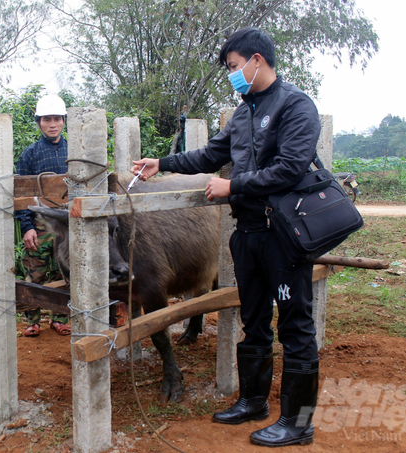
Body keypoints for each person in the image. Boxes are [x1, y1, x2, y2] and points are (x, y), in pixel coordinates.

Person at [132, 27, 321, 447]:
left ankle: (300, 421)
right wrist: (160, 163)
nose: (233, 75)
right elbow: (209, 156)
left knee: (297, 327)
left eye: (235, 67)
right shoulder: (244, 112)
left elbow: (291, 168)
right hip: (249, 233)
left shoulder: (296, 106)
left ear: (257, 60)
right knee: (253, 322)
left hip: (286, 234)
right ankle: (253, 400)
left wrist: (233, 187)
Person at [15, 94, 71, 337]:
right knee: (35, 271)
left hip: (68, 221)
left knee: (65, 270)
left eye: (57, 119)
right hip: (39, 222)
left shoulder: (74, 151)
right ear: (39, 122)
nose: (52, 124)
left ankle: (59, 318)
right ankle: (32, 319)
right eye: (47, 119)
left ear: (64, 121)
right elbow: (20, 196)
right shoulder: (30, 154)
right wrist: (27, 226)